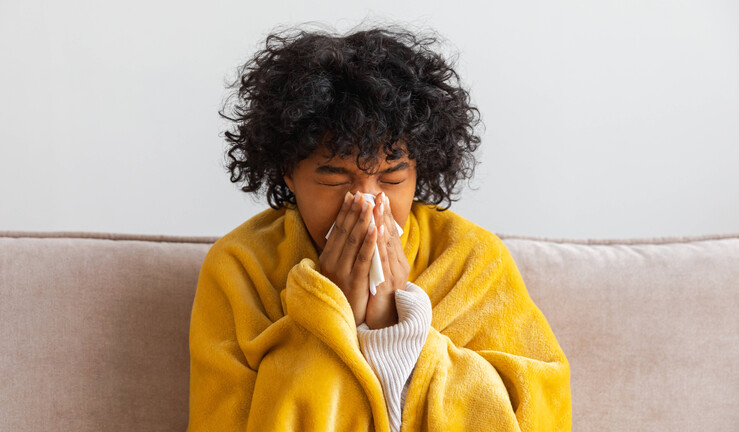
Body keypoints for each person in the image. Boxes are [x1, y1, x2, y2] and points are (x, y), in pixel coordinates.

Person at [187, 23, 571, 432]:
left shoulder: (472, 257)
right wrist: (333, 317)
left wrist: (395, 324)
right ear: (287, 171)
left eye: (391, 179)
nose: (368, 204)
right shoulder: (239, 267)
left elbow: (536, 409)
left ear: (419, 170)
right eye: (335, 178)